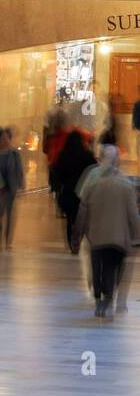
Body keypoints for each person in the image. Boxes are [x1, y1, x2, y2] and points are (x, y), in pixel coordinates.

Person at [76, 145, 140, 318]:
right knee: (112, 268)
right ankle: (108, 297)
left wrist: (78, 233)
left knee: (97, 267)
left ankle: (100, 299)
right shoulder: (125, 184)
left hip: (96, 235)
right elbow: (133, 215)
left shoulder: (92, 182)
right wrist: (136, 235)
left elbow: (83, 208)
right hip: (118, 238)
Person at [51, 129, 97, 254]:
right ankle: (78, 240)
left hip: (68, 192)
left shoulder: (63, 155)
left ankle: (72, 243)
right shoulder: (87, 155)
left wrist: (57, 188)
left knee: (70, 219)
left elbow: (57, 172)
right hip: (83, 192)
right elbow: (94, 170)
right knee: (82, 217)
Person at [0, 128, 24, 250]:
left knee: (9, 216)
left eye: (6, 138)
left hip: (10, 188)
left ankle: (7, 240)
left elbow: (19, 171)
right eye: (2, 137)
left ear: (9, 139)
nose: (4, 140)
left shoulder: (14, 154)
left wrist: (21, 186)